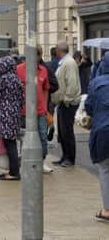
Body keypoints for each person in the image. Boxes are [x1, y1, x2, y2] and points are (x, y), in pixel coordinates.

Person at [0, 56, 24, 180]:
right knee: (11, 142)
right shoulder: (16, 79)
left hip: (6, 115)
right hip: (14, 113)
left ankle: (14, 173)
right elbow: (18, 97)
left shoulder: (4, 78)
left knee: (10, 144)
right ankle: (13, 170)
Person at [16, 46, 53, 174]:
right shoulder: (19, 69)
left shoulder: (43, 70)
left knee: (43, 137)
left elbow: (46, 88)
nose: (40, 57)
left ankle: (41, 162)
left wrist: (45, 106)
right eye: (38, 54)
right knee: (23, 138)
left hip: (40, 111)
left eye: (41, 54)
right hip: (23, 111)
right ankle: (24, 162)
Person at [84, 52, 109, 222]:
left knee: (105, 169)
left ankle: (107, 209)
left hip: (103, 130)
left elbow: (89, 107)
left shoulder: (96, 83)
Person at [51, 41, 81, 167]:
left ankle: (69, 158)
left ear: (59, 50)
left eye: (56, 49)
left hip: (67, 102)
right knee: (62, 131)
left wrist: (67, 99)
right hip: (62, 101)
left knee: (67, 131)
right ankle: (64, 156)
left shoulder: (68, 63)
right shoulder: (64, 62)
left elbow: (72, 83)